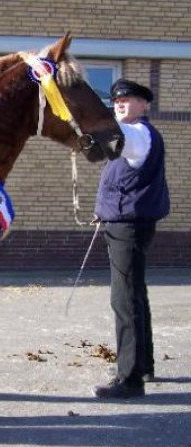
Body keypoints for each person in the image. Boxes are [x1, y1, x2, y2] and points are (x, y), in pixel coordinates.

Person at [92, 79, 170, 399]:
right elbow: (122, 183)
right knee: (135, 295)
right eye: (117, 101)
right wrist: (105, 211)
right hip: (126, 223)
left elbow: (112, 136)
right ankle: (142, 365)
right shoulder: (137, 135)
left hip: (128, 228)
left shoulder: (136, 133)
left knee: (124, 300)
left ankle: (130, 379)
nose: (120, 104)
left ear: (144, 105)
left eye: (129, 100)